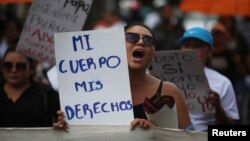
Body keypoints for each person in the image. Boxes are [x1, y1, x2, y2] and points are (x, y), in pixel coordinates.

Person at [54, 22, 192, 131]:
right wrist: (68, 127)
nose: (140, 42)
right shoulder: (90, 91)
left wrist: (156, 132)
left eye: (148, 40)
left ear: (153, 53)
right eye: (132, 37)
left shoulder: (169, 91)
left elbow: (190, 136)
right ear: (117, 45)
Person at [178, 27, 240, 132]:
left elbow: (232, 132)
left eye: (198, 46)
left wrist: (217, 108)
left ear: (210, 51)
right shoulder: (165, 78)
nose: (191, 50)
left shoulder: (223, 83)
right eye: (187, 45)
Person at [0, 47, 60, 127]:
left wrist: (61, 123)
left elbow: (61, 122)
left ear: (31, 68)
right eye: (8, 65)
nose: (13, 70)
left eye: (20, 66)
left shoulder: (47, 94)